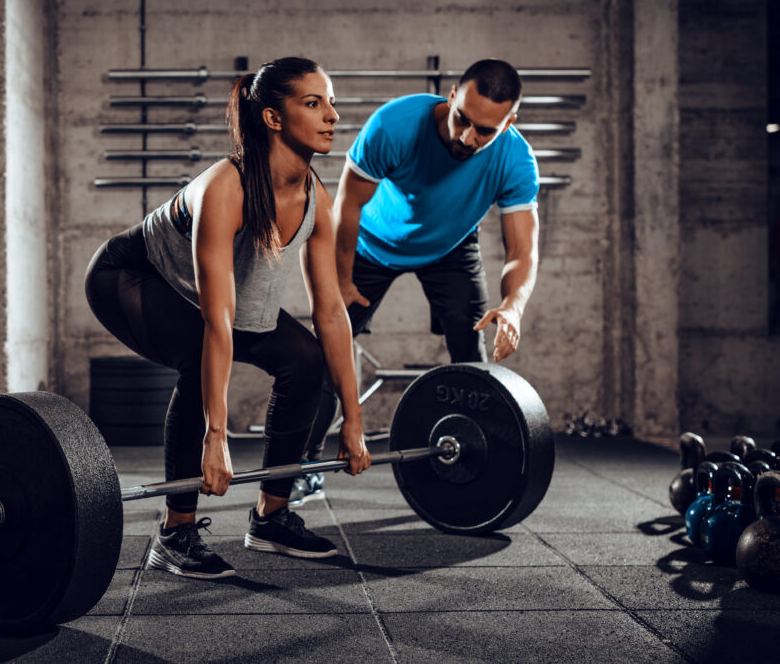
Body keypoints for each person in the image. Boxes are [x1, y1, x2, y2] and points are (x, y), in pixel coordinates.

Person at [85, 57, 371, 580]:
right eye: (313, 103)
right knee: (199, 354)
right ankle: (175, 533)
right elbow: (219, 322)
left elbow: (330, 312)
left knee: (304, 359)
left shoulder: (317, 198)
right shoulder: (226, 186)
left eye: (331, 103)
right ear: (273, 118)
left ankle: (271, 517)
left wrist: (353, 420)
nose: (332, 115)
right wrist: (216, 437)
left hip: (212, 296)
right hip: (129, 278)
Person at [290, 58, 540, 506]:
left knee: (472, 359)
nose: (467, 137)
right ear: (451, 96)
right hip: (370, 245)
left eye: (485, 130)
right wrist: (342, 279)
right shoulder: (396, 125)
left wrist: (513, 306)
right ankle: (304, 469)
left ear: (510, 122)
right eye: (462, 119)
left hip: (450, 248)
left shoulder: (516, 160)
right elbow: (347, 204)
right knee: (327, 352)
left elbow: (522, 250)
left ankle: (477, 466)